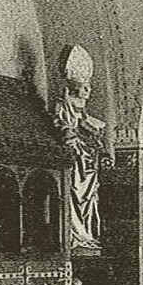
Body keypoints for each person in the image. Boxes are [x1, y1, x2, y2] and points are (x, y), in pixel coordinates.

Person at [54, 45, 105, 250]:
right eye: (85, 87)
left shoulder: (80, 106)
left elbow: (83, 122)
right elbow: (63, 124)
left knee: (89, 190)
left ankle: (86, 233)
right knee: (74, 186)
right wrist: (70, 134)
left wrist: (94, 134)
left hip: (84, 149)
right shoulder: (63, 103)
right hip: (73, 149)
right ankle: (77, 234)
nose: (88, 92)